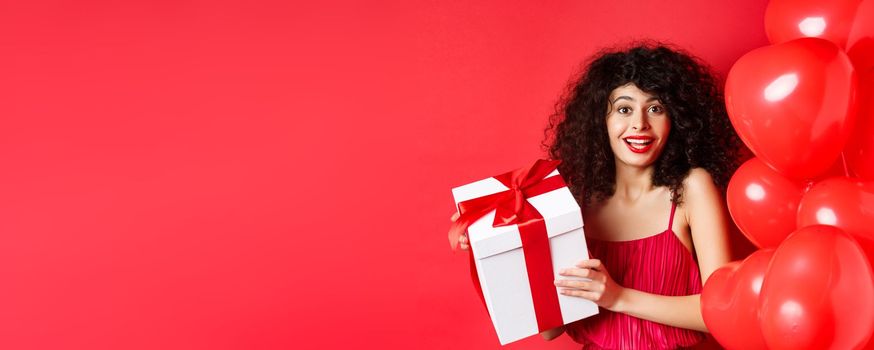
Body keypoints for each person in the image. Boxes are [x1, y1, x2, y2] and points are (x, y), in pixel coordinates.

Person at [454, 43, 742, 349]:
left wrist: (617, 297)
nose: (640, 124)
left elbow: (720, 310)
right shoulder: (574, 201)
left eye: (655, 108)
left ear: (676, 119)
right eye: (624, 108)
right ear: (600, 120)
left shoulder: (692, 188)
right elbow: (550, 329)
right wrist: (492, 251)